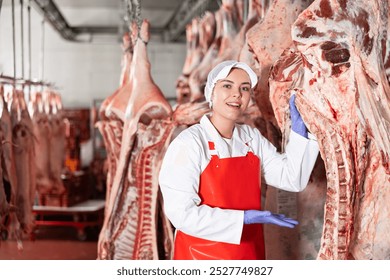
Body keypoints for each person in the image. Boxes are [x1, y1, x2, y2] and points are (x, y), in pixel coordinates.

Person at [158, 60, 319, 260]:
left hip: (248, 253)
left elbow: (291, 178)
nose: (237, 94)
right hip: (200, 257)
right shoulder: (189, 143)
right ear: (211, 92)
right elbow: (181, 214)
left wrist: (300, 133)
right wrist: (242, 218)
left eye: (244, 88)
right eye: (227, 86)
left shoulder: (250, 138)